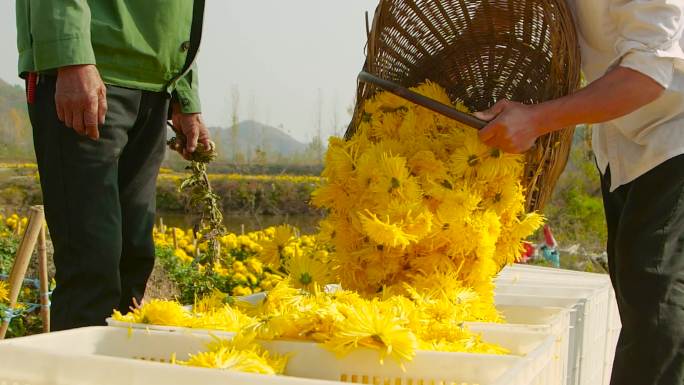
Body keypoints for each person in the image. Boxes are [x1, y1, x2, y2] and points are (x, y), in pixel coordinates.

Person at [474, 1, 684, 384]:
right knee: (641, 302)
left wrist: (536, 119)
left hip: (674, 134)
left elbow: (648, 76)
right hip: (623, 142)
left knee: (657, 301)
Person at [15, 0, 212, 331]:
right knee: (92, 265)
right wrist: (71, 55)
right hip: (92, 70)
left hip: (156, 83)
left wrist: (184, 93)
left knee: (133, 260)